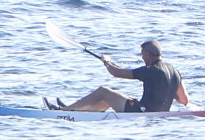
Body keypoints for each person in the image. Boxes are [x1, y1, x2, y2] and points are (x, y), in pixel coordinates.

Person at [44, 39, 189, 113]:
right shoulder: (174, 71)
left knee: (103, 91)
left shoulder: (150, 70)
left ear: (148, 54)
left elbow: (116, 73)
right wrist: (167, 92)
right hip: (160, 113)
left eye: (142, 54)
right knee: (112, 97)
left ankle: (64, 111)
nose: (142, 56)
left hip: (142, 112)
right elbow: (183, 100)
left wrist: (106, 62)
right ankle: (75, 110)